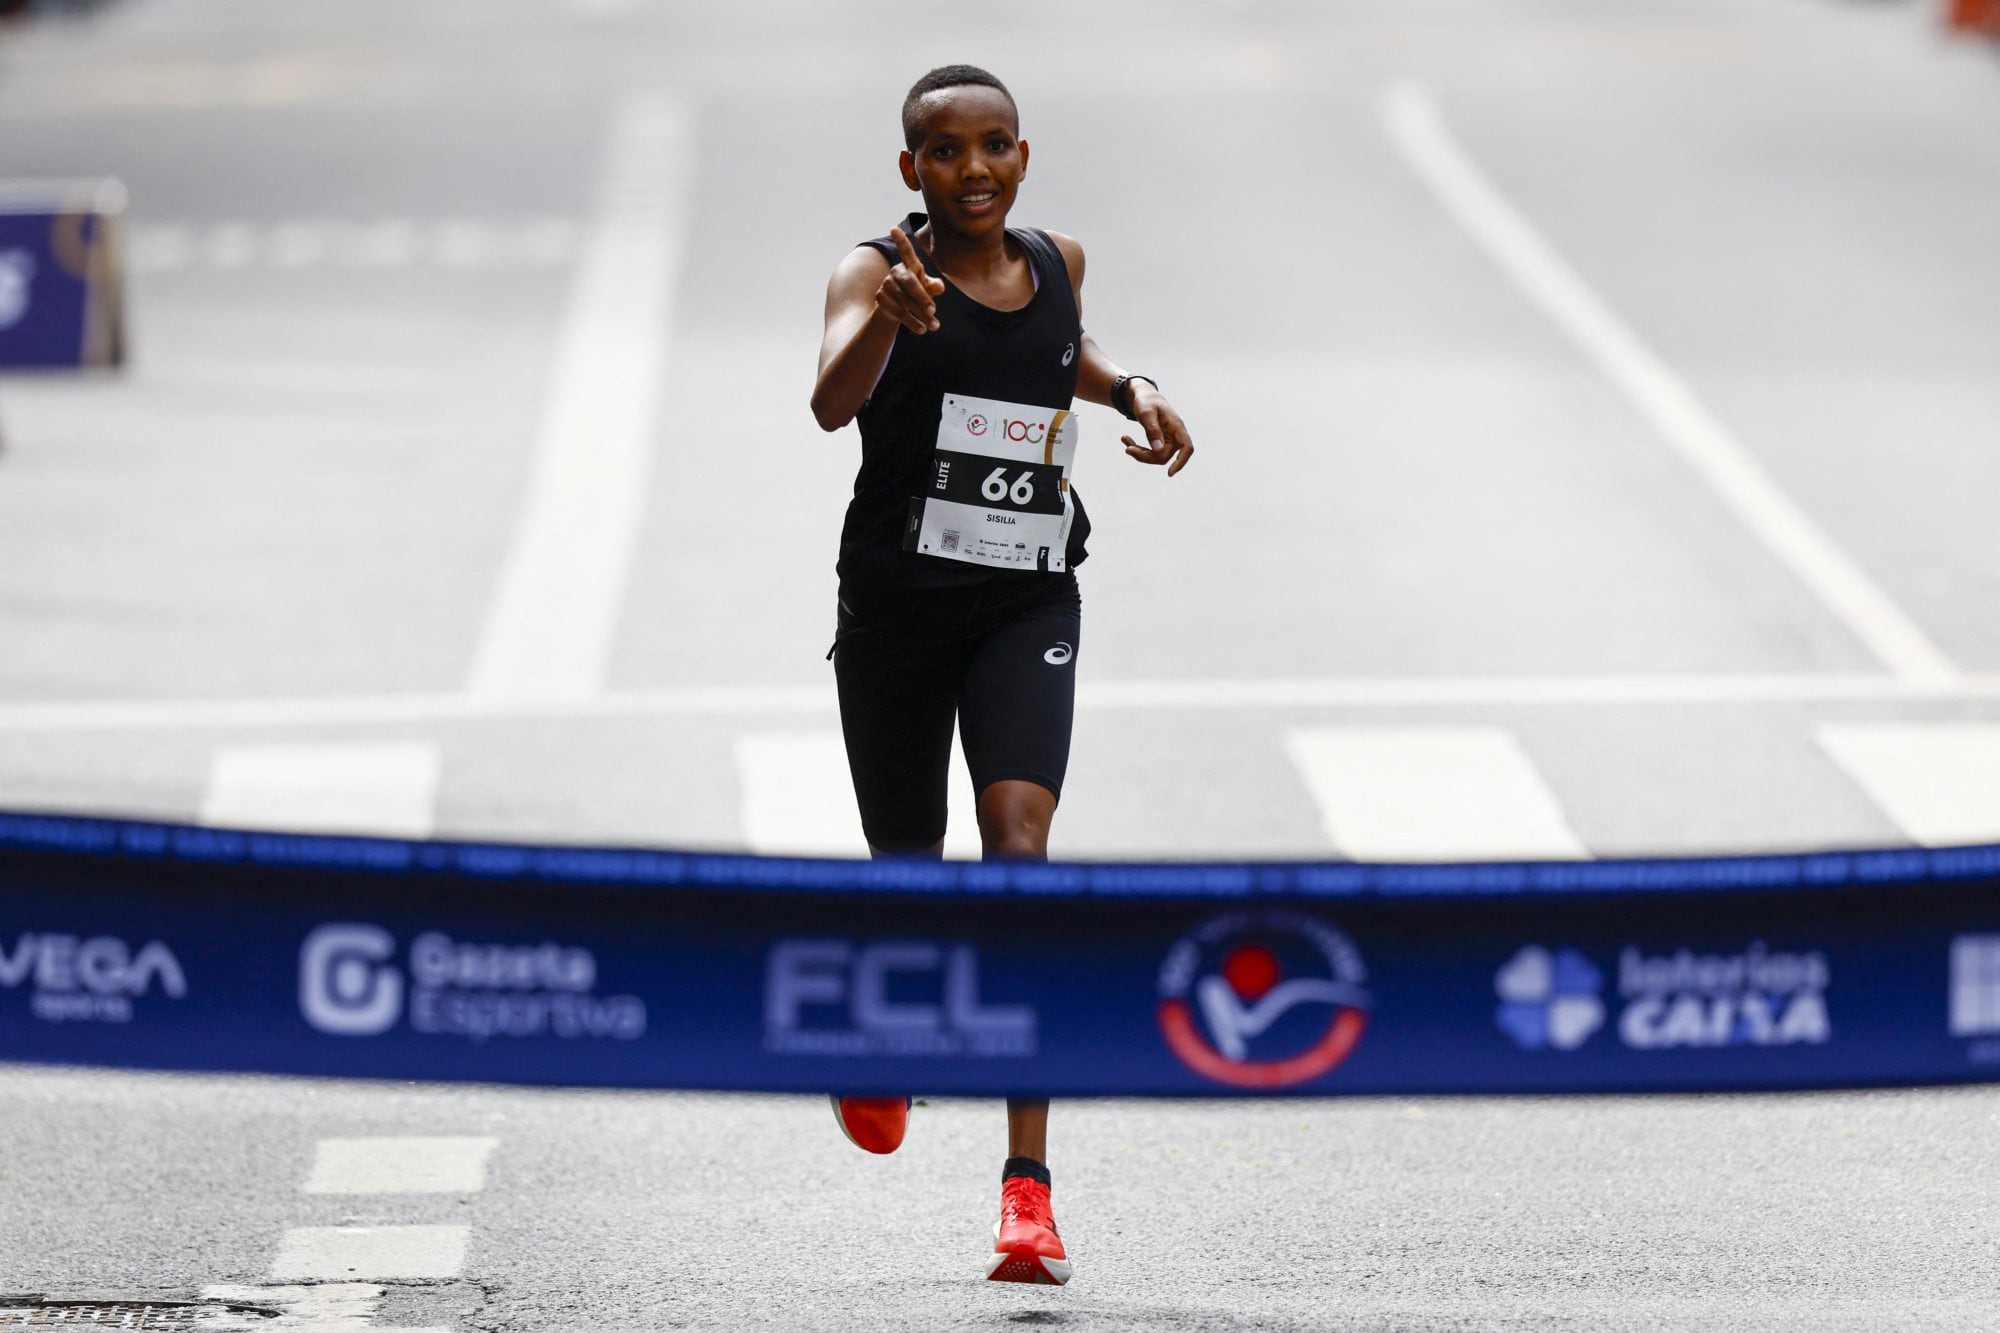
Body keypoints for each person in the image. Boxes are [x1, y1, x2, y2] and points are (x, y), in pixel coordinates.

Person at [809, 64, 1195, 1287]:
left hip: (1027, 594)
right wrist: (891, 323)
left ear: (1021, 157)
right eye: (944, 152)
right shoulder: (872, 274)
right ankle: (887, 1038)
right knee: (909, 873)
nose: (971, 170)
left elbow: (1058, 349)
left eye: (993, 148)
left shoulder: (1057, 257)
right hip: (895, 616)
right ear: (910, 169)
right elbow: (828, 402)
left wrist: (1129, 385)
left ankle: (1026, 1193)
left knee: (1019, 861)